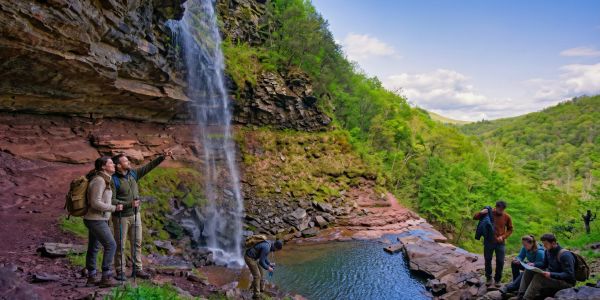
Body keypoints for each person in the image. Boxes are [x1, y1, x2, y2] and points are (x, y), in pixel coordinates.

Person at [111, 150, 172, 280]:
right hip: (121, 217)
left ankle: (137, 269)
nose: (129, 162)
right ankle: (120, 271)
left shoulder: (133, 174)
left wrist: (162, 156)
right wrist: (129, 204)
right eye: (126, 161)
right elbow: (111, 200)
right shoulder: (113, 180)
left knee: (137, 243)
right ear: (118, 165)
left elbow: (148, 167)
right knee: (120, 244)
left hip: (135, 214)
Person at [84, 157, 124, 287]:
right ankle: (106, 277)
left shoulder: (105, 179)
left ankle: (91, 276)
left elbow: (103, 200)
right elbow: (95, 203)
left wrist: (117, 204)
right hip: (95, 219)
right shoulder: (99, 181)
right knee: (111, 245)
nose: (114, 165)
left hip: (99, 218)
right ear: (103, 167)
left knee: (94, 247)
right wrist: (113, 208)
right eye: (111, 163)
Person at [517, 233, 575, 300]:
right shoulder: (547, 251)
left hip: (566, 282)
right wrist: (534, 265)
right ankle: (520, 294)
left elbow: (569, 275)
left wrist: (551, 274)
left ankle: (526, 298)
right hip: (552, 275)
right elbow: (544, 265)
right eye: (543, 244)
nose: (544, 246)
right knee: (528, 270)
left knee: (539, 277)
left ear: (553, 243)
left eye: (546, 244)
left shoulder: (565, 255)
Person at [473, 200, 513, 287]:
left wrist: (503, 237)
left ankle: (497, 280)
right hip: (488, 241)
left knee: (500, 261)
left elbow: (510, 229)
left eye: (503, 209)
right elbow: (475, 217)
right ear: (496, 207)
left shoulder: (507, 217)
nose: (501, 211)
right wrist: (481, 212)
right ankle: (488, 278)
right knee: (487, 260)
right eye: (499, 209)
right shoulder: (488, 213)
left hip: (500, 242)